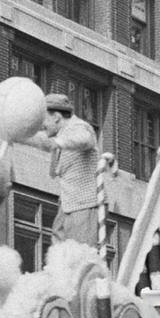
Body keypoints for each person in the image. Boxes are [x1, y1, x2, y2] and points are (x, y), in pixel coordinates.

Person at [28, 93, 101, 246]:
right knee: (59, 245)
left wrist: (58, 142)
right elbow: (43, 140)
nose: (42, 125)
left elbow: (84, 139)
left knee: (80, 253)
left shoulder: (79, 127)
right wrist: (17, 135)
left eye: (44, 119)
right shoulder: (61, 134)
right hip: (67, 204)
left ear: (56, 117)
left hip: (84, 204)